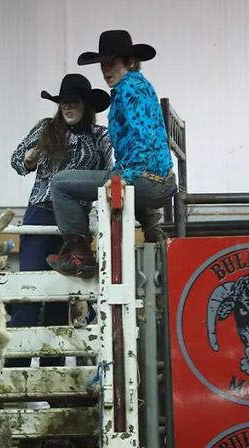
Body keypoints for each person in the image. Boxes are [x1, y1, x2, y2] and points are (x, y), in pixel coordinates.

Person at [46, 30, 177, 277]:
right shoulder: (135, 86)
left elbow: (143, 137)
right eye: (103, 64)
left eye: (112, 63)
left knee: (61, 183)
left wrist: (124, 177)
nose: (106, 69)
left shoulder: (130, 89)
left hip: (149, 179)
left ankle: (79, 255)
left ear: (128, 62)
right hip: (157, 179)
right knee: (121, 175)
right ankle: (154, 231)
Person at [9, 73, 112, 364]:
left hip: (73, 225)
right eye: (63, 103)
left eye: (74, 103)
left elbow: (114, 169)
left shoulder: (101, 137)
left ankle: (52, 377)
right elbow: (17, 160)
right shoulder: (45, 129)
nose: (67, 108)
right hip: (41, 214)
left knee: (59, 300)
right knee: (29, 294)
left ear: (85, 105)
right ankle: (13, 373)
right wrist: (28, 159)